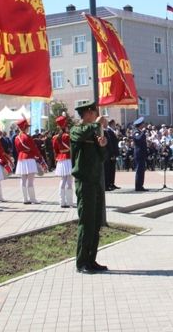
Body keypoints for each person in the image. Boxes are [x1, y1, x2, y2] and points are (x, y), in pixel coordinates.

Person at [70, 101, 109, 274]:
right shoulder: (76, 129)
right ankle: (81, 262)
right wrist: (96, 125)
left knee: (95, 223)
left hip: (95, 181)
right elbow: (80, 134)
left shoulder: (93, 132)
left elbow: (102, 158)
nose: (96, 114)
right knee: (86, 223)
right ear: (87, 113)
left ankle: (91, 259)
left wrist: (102, 145)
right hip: (84, 182)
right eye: (94, 112)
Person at [14, 118, 43, 204]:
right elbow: (34, 148)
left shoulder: (16, 138)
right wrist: (39, 156)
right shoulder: (27, 137)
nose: (28, 128)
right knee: (30, 180)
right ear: (24, 127)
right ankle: (33, 199)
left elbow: (17, 149)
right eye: (27, 127)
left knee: (23, 180)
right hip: (29, 158)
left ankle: (25, 199)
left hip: (21, 158)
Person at [52, 115, 74, 208]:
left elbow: (55, 150)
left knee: (62, 180)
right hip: (68, 158)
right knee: (69, 181)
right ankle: (69, 202)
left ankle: (62, 202)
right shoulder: (68, 136)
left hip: (61, 159)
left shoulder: (55, 137)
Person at [102, 118, 119, 191]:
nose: (106, 124)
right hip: (107, 154)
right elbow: (109, 143)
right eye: (105, 122)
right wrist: (112, 153)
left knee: (111, 169)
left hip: (111, 153)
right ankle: (107, 185)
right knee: (107, 170)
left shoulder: (108, 131)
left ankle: (110, 184)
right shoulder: (106, 131)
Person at [132, 117, 148, 191]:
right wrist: (143, 132)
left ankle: (140, 186)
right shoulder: (136, 132)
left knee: (142, 170)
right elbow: (138, 139)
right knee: (139, 170)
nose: (144, 125)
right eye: (143, 124)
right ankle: (138, 186)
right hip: (139, 154)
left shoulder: (140, 131)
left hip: (142, 154)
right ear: (140, 125)